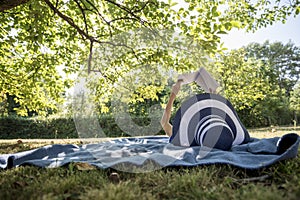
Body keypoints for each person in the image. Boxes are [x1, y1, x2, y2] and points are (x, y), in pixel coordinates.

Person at [161, 79, 251, 151]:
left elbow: (164, 123)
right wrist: (215, 100)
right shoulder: (226, 137)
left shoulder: (180, 139)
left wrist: (173, 95)